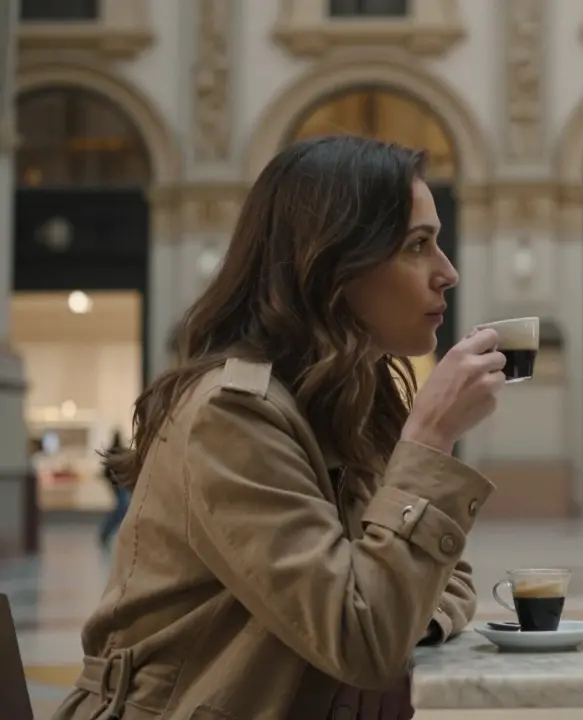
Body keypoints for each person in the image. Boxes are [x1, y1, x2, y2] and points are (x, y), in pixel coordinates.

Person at [53, 135, 507, 719]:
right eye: (418, 245)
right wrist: (430, 439)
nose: (448, 273)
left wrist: (399, 639)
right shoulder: (231, 415)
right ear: (333, 264)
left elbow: (443, 581)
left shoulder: (347, 403)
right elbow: (360, 634)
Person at [97, 429, 129, 548]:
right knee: (121, 509)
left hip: (117, 485)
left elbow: (105, 471)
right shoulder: (120, 451)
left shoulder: (113, 451)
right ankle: (106, 533)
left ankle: (107, 533)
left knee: (121, 509)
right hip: (120, 484)